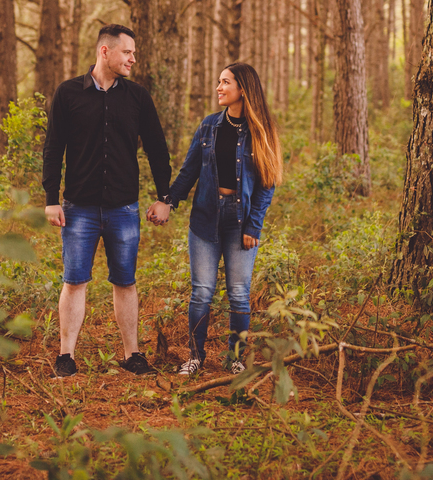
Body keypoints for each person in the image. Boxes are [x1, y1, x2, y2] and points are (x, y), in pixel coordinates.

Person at [43, 24, 172, 377]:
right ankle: (66, 356)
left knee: (125, 281)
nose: (133, 58)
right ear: (105, 52)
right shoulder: (68, 94)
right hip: (78, 207)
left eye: (133, 53)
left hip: (123, 208)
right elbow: (53, 149)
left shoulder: (138, 98)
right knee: (74, 280)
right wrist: (51, 198)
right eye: (127, 52)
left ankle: (132, 355)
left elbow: (158, 151)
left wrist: (166, 198)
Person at [150, 62, 283, 376]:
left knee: (238, 292)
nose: (219, 88)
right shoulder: (209, 125)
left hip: (240, 224)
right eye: (219, 82)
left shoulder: (261, 130)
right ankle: (196, 357)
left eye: (225, 82)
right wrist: (167, 200)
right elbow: (189, 171)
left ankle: (235, 359)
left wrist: (254, 226)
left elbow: (268, 183)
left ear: (243, 90)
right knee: (201, 292)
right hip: (205, 219)